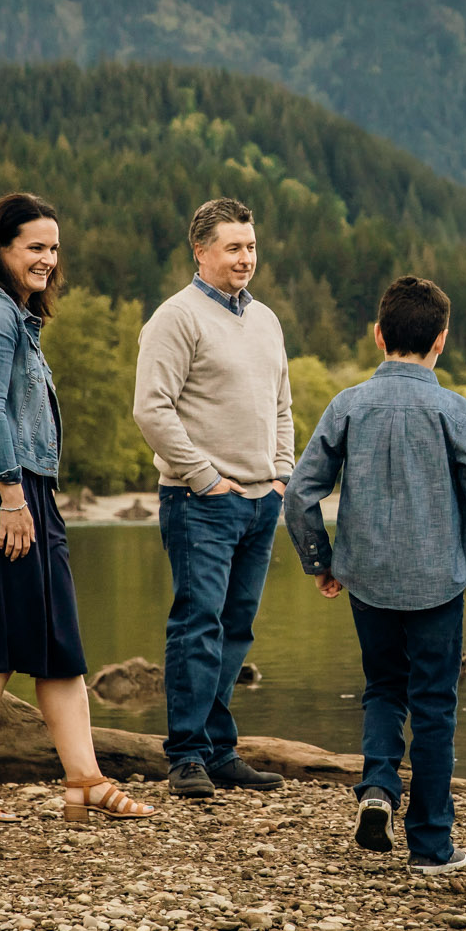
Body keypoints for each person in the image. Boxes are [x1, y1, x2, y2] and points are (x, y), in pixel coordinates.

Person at [286, 276, 466, 875]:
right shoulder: (453, 409)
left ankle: (376, 789)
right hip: (436, 581)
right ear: (441, 340)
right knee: (435, 706)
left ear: (378, 335)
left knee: (383, 688)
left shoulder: (347, 404)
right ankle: (431, 846)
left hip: (365, 578)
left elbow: (298, 494)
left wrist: (321, 560)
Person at [0, 192, 154, 825]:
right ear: (0, 250)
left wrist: (27, 497)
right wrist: (9, 494)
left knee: (58, 645)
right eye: (35, 247)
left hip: (31, 495)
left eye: (54, 249)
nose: (48, 260)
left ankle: (84, 779)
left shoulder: (21, 319)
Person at [133, 197, 294, 797]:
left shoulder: (267, 320)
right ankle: (186, 758)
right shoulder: (175, 318)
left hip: (259, 501)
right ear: (201, 252)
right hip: (200, 500)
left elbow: (282, 404)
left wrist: (281, 475)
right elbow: (151, 408)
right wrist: (202, 475)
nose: (246, 257)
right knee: (197, 624)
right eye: (233, 247)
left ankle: (221, 751)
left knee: (236, 628)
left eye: (250, 246)